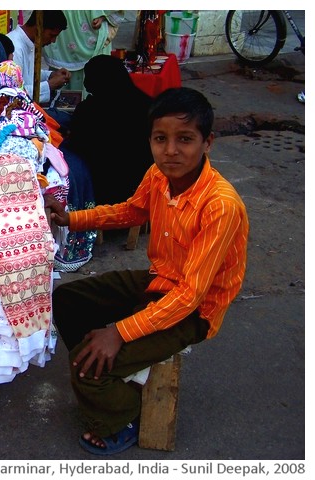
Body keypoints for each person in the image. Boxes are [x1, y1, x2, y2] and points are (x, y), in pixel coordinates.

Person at [43, 87, 249, 455]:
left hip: (195, 310)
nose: (170, 151)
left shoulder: (221, 205)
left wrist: (119, 333)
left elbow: (190, 295)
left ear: (208, 142)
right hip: (160, 282)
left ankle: (121, 415)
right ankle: (104, 377)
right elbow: (131, 212)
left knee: (89, 367)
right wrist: (72, 218)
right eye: (160, 139)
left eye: (184, 139)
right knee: (66, 299)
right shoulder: (158, 175)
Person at [66, 54, 154, 206]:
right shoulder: (148, 104)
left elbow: (77, 146)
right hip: (143, 184)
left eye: (89, 78)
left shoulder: (89, 111)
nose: (86, 84)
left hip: (104, 190)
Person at [7, 11, 71, 129]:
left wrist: (51, 75)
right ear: (38, 28)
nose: (53, 41)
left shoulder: (30, 42)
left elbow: (28, 74)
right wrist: (49, 85)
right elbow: (16, 94)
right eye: (52, 35)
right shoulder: (15, 47)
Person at [43, 11, 124, 97]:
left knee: (96, 81)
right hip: (62, 33)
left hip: (89, 21)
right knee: (58, 83)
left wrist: (103, 16)